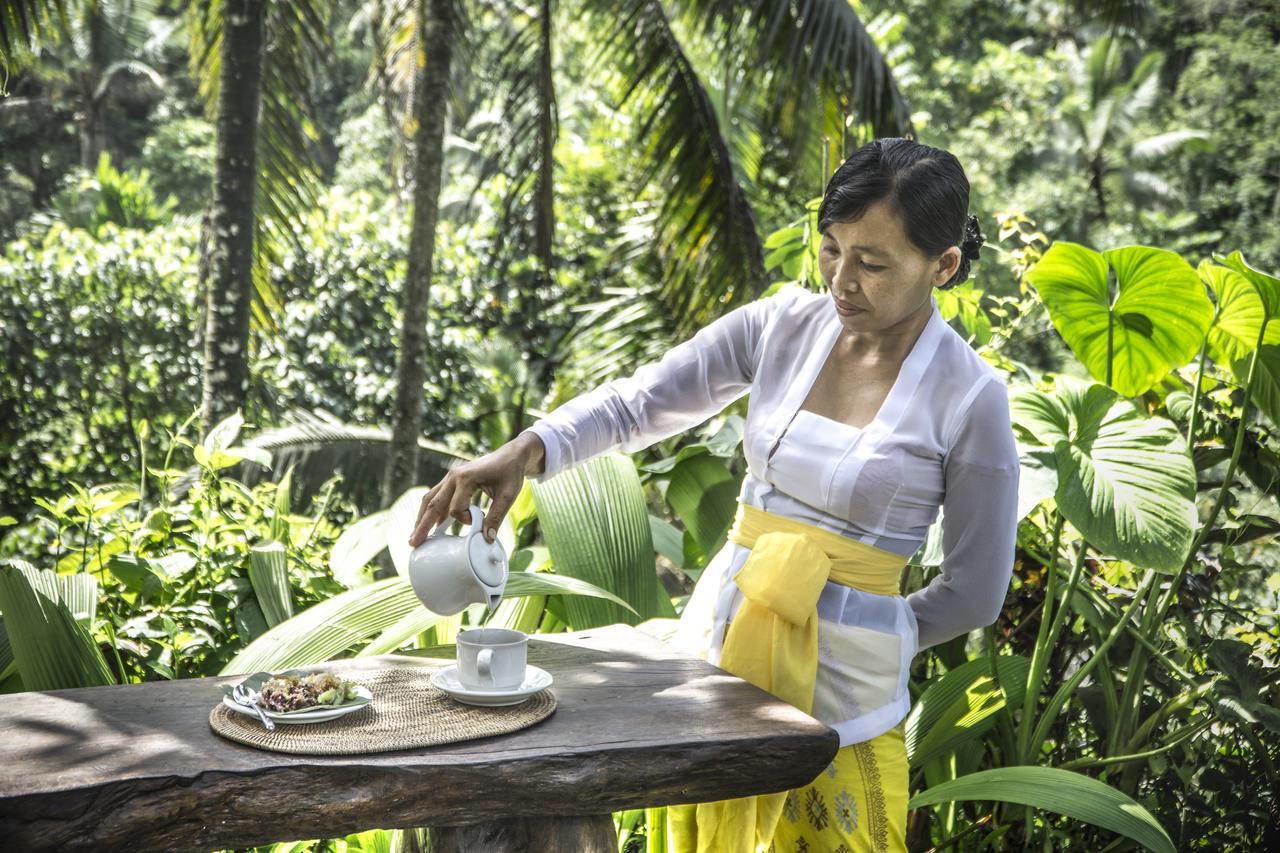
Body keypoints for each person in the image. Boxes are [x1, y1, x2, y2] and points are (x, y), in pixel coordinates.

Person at [408, 137, 1021, 852]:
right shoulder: (782, 324)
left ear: (942, 265)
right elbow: (640, 403)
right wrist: (527, 449)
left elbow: (976, 591)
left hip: (848, 707)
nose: (842, 280)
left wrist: (869, 625)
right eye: (833, 249)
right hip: (721, 668)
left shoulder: (971, 397)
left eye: (873, 263)